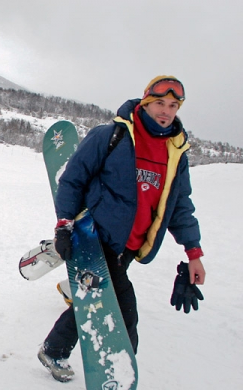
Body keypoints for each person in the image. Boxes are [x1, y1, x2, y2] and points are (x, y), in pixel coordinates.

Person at [39, 76, 206, 382]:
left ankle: (54, 349)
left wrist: (192, 252)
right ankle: (117, 374)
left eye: (173, 105)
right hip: (95, 238)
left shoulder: (175, 153)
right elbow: (73, 180)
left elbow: (180, 204)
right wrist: (64, 225)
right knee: (122, 312)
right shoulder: (111, 136)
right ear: (145, 101)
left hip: (129, 246)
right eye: (160, 103)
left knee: (97, 299)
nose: (166, 111)